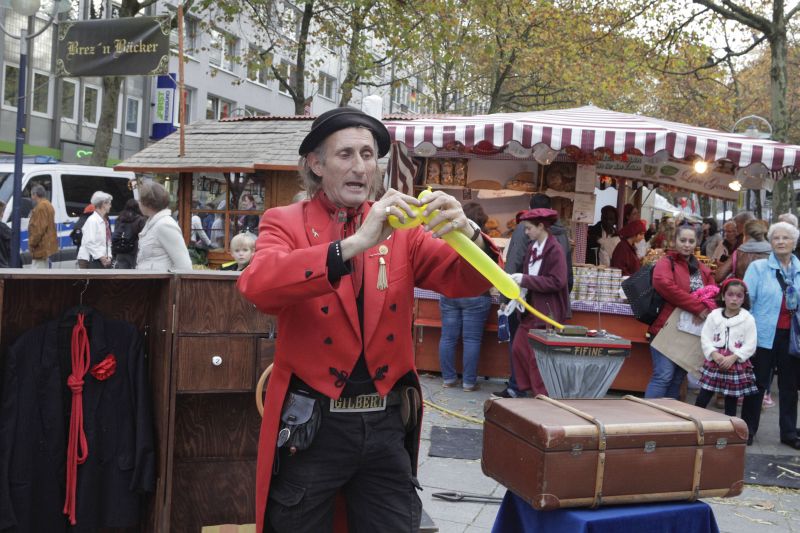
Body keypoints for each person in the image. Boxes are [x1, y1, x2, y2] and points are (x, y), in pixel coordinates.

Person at [237, 107, 498, 533]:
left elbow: (468, 280)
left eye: (368, 154)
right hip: (313, 425)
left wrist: (467, 233)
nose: (360, 166)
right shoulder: (284, 221)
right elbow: (257, 286)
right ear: (316, 164)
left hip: (385, 426)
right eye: (345, 154)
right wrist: (353, 244)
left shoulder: (404, 228)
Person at [493, 194, 571, 399]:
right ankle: (526, 389)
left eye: (528, 228)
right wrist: (516, 295)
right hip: (529, 311)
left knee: (538, 359)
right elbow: (527, 278)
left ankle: (541, 397)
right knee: (518, 348)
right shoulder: (531, 248)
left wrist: (525, 280)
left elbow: (558, 281)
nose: (525, 232)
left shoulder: (555, 249)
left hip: (546, 313)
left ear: (541, 227)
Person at [742, 221, 800, 448]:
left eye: (786, 238)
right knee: (757, 384)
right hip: (763, 334)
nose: (781, 242)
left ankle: (789, 433)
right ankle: (748, 429)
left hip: (792, 336)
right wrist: (747, 333)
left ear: (794, 242)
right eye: (776, 238)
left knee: (789, 387)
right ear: (770, 242)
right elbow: (747, 301)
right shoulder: (758, 268)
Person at [644, 225, 715, 399]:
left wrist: (708, 308)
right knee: (663, 375)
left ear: (697, 243)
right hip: (665, 327)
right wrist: (698, 308)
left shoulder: (702, 269)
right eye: (682, 240)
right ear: (674, 241)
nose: (687, 245)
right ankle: (648, 414)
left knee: (677, 379)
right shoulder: (666, 263)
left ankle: (668, 415)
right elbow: (665, 286)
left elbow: (714, 293)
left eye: (691, 241)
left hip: (691, 332)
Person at [438, 202, 493, 391]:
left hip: (451, 291)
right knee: (472, 340)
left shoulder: (449, 235)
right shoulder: (483, 239)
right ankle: (469, 382)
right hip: (477, 294)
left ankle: (448, 379)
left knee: (447, 338)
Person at [695, 279, 758, 416]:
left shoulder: (748, 319)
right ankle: (694, 422)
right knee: (703, 396)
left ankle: (729, 426)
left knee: (731, 401)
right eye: (730, 294)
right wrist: (713, 353)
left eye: (739, 296)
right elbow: (705, 337)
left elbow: (751, 344)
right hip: (715, 362)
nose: (734, 299)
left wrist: (734, 357)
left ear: (744, 298)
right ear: (723, 296)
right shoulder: (713, 316)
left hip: (735, 363)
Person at [136, 180, 192, 271]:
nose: (138, 203)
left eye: (139, 200)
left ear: (148, 203)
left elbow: (185, 266)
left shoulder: (165, 224)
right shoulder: (153, 223)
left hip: (159, 280)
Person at [77, 191, 113, 269]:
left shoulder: (105, 221)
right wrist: (102, 257)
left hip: (100, 259)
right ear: (103, 204)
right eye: (109, 203)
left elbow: (108, 242)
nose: (110, 206)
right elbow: (89, 242)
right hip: (89, 260)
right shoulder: (92, 220)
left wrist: (109, 256)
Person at [27, 184, 57, 269]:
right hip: (47, 247)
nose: (31, 198)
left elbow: (39, 230)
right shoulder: (48, 205)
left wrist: (32, 243)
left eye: (31, 195)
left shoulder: (41, 207)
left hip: (40, 248)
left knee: (36, 273)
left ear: (35, 195)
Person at [112, 198, 146, 269]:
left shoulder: (119, 218)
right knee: (135, 273)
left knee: (122, 273)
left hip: (120, 250)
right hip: (134, 251)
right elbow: (143, 236)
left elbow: (116, 232)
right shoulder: (140, 219)